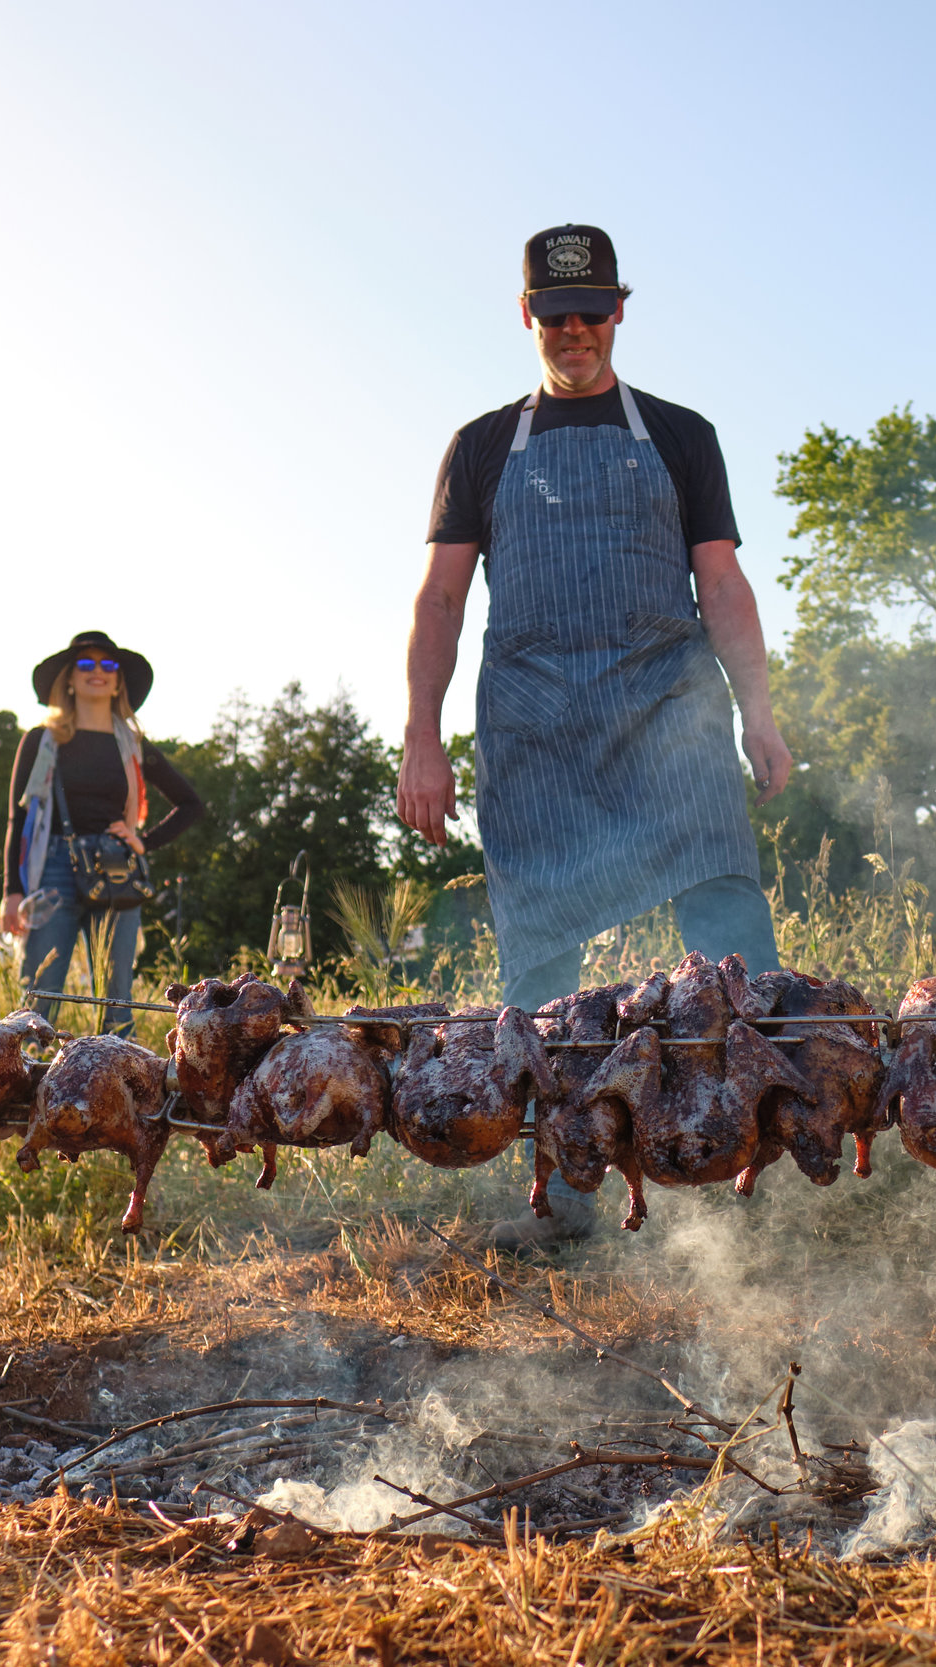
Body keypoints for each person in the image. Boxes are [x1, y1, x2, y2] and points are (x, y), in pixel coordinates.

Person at [397, 224, 792, 1243]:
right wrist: (421, 741)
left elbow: (722, 582)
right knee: (539, 969)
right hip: (532, 722)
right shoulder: (483, 446)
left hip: (670, 707)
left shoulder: (679, 433)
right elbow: (441, 600)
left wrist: (758, 711)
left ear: (621, 311)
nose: (576, 330)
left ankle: (756, 1172)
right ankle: (561, 1196)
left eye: (594, 311)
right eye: (557, 313)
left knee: (730, 930)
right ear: (526, 314)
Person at [0, 632, 204, 1034]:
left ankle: (113, 1089)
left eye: (108, 665)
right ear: (69, 679)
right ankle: (26, 1090)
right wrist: (11, 890)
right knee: (39, 997)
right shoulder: (41, 740)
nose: (98, 672)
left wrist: (144, 841)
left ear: (118, 682)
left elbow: (190, 804)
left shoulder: (134, 744)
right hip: (52, 868)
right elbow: (17, 819)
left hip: (116, 869)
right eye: (86, 664)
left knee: (115, 1000)